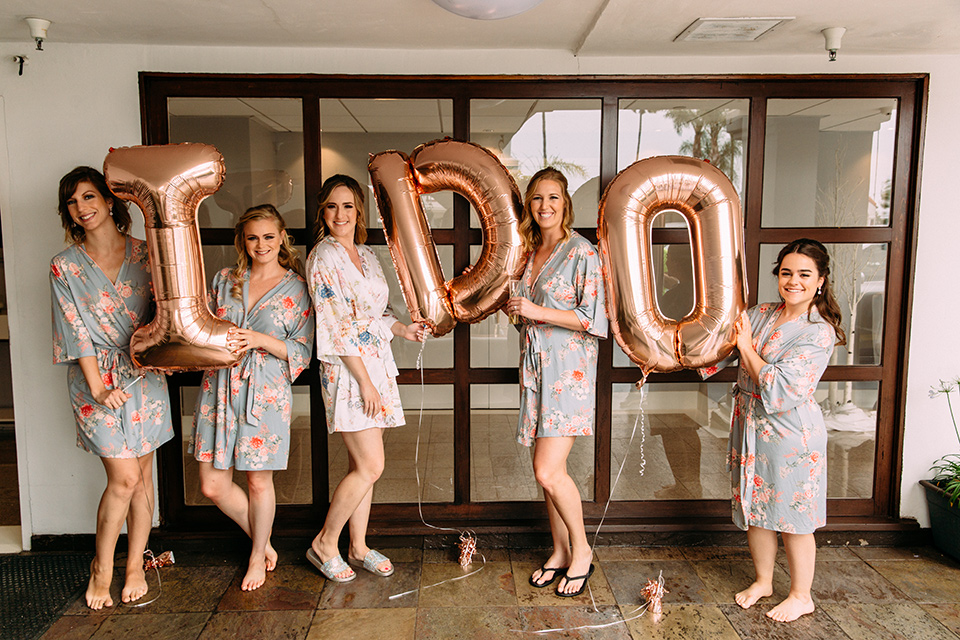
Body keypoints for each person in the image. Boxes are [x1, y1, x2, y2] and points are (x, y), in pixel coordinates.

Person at [700, 238, 845, 622]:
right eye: (786, 272)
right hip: (749, 424)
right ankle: (764, 580)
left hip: (790, 433)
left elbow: (781, 386)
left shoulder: (818, 331)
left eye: (803, 274)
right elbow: (719, 347)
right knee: (755, 507)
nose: (793, 281)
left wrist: (746, 347)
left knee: (794, 517)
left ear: (820, 281)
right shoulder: (761, 312)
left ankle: (801, 595)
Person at [50, 166, 173, 609]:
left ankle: (136, 564)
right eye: (72, 201)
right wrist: (99, 389)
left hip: (143, 374)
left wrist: (164, 349)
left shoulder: (145, 254)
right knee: (122, 478)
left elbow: (167, 313)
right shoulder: (64, 265)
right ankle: (101, 568)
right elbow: (75, 332)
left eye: (88, 197)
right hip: (93, 377)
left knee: (141, 478)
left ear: (107, 199)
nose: (82, 208)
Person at [305, 175, 424, 582]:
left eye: (348, 206)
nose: (341, 215)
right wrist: (364, 382)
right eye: (332, 207)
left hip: (378, 366)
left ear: (359, 212)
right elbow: (335, 326)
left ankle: (357, 547)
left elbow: (379, 312)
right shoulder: (323, 257)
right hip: (348, 370)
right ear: (323, 212)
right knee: (372, 465)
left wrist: (403, 329)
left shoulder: (367, 255)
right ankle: (325, 543)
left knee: (364, 466)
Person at [190, 204, 313, 591]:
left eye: (269, 237)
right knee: (212, 484)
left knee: (259, 482)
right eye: (253, 237)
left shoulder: (297, 286)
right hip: (219, 387)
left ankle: (257, 554)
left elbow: (303, 350)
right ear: (243, 241)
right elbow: (202, 327)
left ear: (282, 238)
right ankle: (264, 540)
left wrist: (258, 340)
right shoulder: (226, 279)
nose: (261, 244)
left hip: (266, 391)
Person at [503, 167, 607, 597]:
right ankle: (560, 550)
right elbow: (525, 313)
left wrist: (536, 312)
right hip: (538, 372)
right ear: (529, 206)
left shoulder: (581, 251)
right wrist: (518, 313)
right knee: (544, 471)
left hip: (569, 375)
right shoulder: (529, 254)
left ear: (565, 203)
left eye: (553, 198)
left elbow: (592, 317)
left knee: (548, 470)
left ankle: (581, 550)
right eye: (537, 199)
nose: (545, 206)